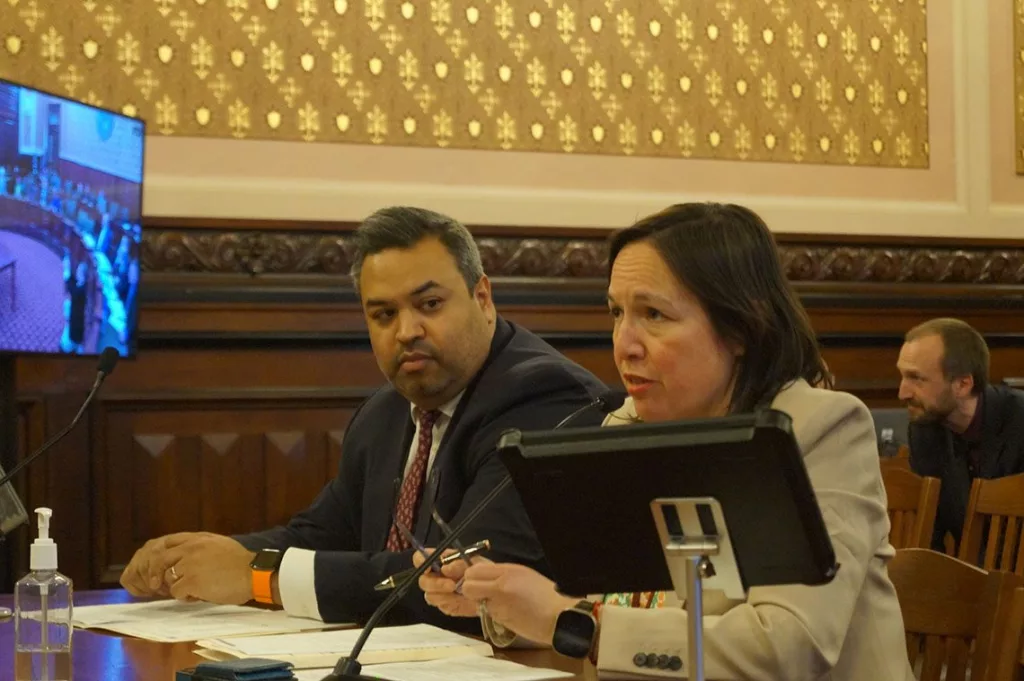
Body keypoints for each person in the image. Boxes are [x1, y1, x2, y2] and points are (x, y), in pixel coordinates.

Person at [419, 203, 913, 679]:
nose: (624, 344)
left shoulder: (818, 428)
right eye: (617, 313)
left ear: (740, 326)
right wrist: (502, 597)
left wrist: (567, 620)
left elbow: (787, 647)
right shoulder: (627, 425)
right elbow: (619, 612)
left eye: (654, 314)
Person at [119, 207, 607, 628]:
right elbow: (319, 536)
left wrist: (255, 573)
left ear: (482, 297)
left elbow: (461, 581)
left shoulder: (546, 398)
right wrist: (195, 560)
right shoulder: (387, 411)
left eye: (429, 304)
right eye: (383, 314)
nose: (407, 331)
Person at [899, 318, 1024, 552]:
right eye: (903, 376)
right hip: (969, 580)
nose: (902, 392)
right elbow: (931, 538)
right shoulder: (924, 431)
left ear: (963, 384)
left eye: (916, 378)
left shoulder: (1018, 421)